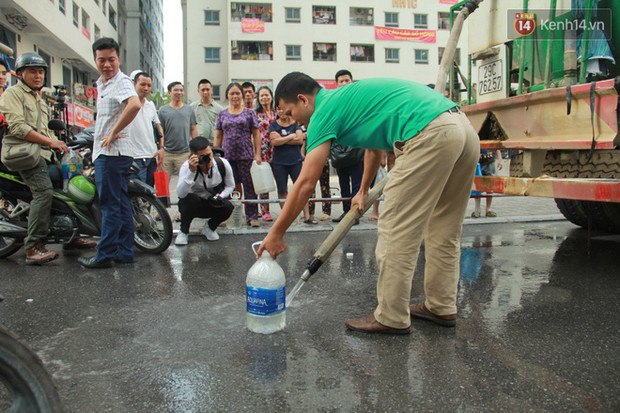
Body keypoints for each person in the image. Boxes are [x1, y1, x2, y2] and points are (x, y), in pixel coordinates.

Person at [258, 72, 479, 335]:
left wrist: (276, 233)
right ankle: (441, 306)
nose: (291, 119)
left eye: (289, 112)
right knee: (444, 227)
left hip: (429, 133)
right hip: (462, 128)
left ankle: (391, 316)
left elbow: (306, 182)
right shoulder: (349, 98)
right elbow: (375, 147)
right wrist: (363, 190)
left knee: (396, 230)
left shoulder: (323, 111)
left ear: (303, 100)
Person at [0, 53, 96, 264]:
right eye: (32, 71)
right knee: (43, 193)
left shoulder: (39, 98)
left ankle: (71, 236)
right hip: (25, 155)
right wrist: (49, 142)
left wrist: (64, 147)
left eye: (41, 71)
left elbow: (46, 131)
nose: (37, 75)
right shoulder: (12, 94)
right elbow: (18, 127)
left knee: (65, 190)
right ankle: (33, 247)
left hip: (44, 155)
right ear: (20, 74)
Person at [77, 38, 141, 269]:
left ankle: (103, 255)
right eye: (101, 60)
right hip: (110, 153)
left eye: (111, 59)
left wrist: (114, 132)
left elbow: (134, 104)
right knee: (120, 204)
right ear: (95, 59)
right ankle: (125, 252)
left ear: (119, 59)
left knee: (110, 206)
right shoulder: (103, 84)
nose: (106, 64)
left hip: (112, 154)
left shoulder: (120, 82)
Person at [214, 83, 262, 227]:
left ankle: (252, 216)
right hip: (227, 157)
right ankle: (227, 216)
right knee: (228, 187)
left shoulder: (249, 113)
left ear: (242, 95)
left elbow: (256, 134)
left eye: (237, 93)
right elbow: (218, 135)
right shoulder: (222, 114)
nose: (235, 96)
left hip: (246, 155)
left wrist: (257, 153)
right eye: (232, 93)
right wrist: (216, 154)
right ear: (227, 96)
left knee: (249, 187)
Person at [174, 137, 235, 245]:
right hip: (195, 204)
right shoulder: (186, 167)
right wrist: (191, 172)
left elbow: (230, 186)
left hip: (213, 202)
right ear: (194, 156)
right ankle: (183, 231)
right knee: (188, 200)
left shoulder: (222, 164)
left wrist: (220, 196)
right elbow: (181, 193)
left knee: (228, 207)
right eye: (204, 156)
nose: (209, 159)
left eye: (210, 154)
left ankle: (210, 228)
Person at [269, 106, 314, 224]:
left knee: (301, 188)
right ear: (276, 111)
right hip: (279, 162)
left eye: (283, 108)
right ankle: (285, 218)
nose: (281, 111)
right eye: (278, 109)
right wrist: (290, 136)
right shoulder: (273, 124)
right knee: (282, 190)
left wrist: (282, 139)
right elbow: (274, 142)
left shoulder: (295, 123)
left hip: (296, 161)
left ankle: (307, 216)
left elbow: (300, 140)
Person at [331, 69, 363, 224]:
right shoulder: (333, 101)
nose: (344, 83)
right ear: (337, 84)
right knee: (343, 183)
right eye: (341, 81)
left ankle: (355, 214)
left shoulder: (359, 101)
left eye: (347, 80)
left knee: (357, 182)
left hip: (357, 148)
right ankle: (346, 212)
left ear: (352, 81)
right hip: (339, 150)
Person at [128, 71, 164, 187]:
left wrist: (161, 148)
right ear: (134, 84)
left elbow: (158, 126)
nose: (146, 88)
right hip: (135, 157)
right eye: (142, 84)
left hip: (152, 156)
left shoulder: (150, 105)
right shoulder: (126, 104)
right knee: (138, 194)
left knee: (150, 193)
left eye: (149, 85)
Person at [158, 81, 197, 181]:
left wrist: (195, 149)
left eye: (181, 90)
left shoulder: (189, 109)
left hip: (184, 153)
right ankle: (163, 198)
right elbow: (160, 130)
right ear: (169, 93)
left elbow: (193, 129)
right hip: (167, 153)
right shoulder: (163, 110)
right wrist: (161, 148)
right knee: (162, 183)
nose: (179, 92)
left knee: (187, 182)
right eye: (176, 90)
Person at [254, 86, 276, 222]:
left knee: (280, 181)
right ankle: (265, 211)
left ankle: (285, 208)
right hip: (262, 150)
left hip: (277, 150)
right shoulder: (255, 114)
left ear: (271, 96)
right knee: (263, 181)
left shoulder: (277, 112)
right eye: (261, 96)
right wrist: (255, 152)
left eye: (266, 95)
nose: (264, 98)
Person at [191, 79, 223, 146]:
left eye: (207, 89)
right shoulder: (192, 107)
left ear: (212, 90)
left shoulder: (220, 109)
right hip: (198, 144)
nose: (205, 92)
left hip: (213, 143)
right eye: (203, 90)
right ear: (198, 91)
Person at [471, 149, 503, 217]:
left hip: (489, 162)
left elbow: (497, 146)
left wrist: (500, 159)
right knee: (477, 185)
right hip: (478, 162)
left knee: (489, 186)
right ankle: (477, 209)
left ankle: (488, 209)